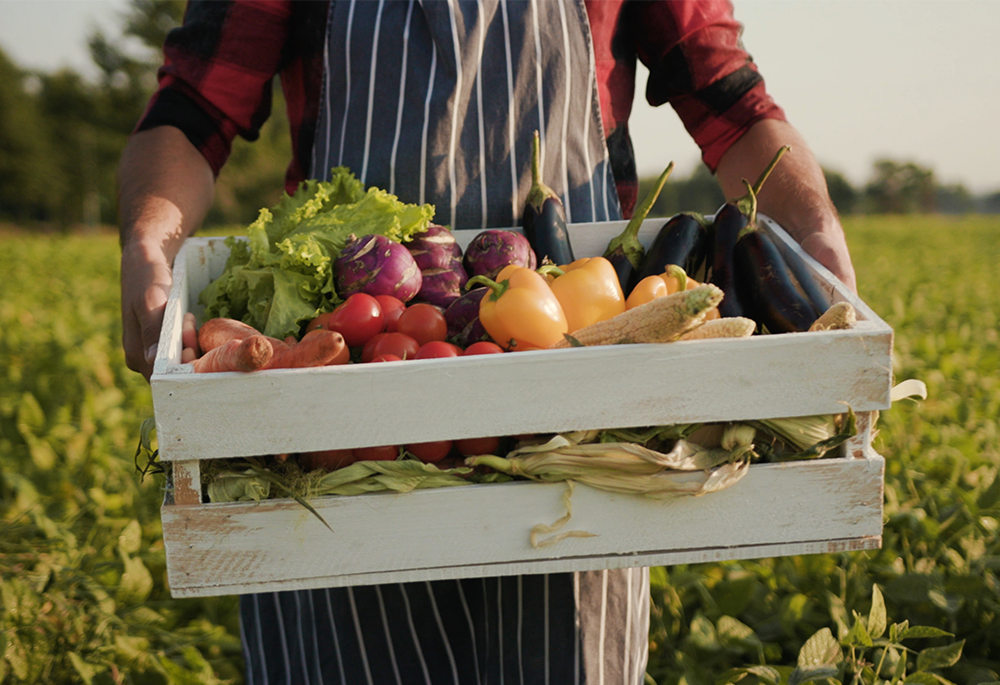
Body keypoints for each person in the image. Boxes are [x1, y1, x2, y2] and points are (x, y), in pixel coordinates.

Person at [119, 1, 857, 682]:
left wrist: (817, 231)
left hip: (579, 418)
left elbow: (729, 97)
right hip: (347, 409)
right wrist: (150, 241)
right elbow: (194, 109)